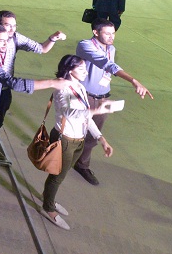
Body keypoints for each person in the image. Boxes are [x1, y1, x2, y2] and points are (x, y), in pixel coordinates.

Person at [0, 23, 76, 184]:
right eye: (2, 41)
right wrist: (52, 83)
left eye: (8, 40)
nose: (7, 44)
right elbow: (12, 82)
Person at [39, 55, 116, 230]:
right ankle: (48, 208)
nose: (85, 72)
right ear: (69, 70)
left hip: (78, 139)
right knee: (57, 176)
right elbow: (70, 113)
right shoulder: (62, 89)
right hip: (64, 139)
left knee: (62, 174)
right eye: (81, 69)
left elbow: (86, 117)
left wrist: (101, 139)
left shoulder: (80, 87)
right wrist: (96, 110)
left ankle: (47, 197)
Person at [73, 19, 153, 186]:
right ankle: (61, 158)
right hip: (83, 96)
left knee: (93, 136)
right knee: (72, 131)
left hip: (102, 97)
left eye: (113, 33)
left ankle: (82, 164)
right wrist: (133, 80)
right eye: (107, 33)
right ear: (96, 32)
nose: (111, 37)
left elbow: (107, 69)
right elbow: (106, 64)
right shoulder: (85, 45)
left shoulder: (112, 49)